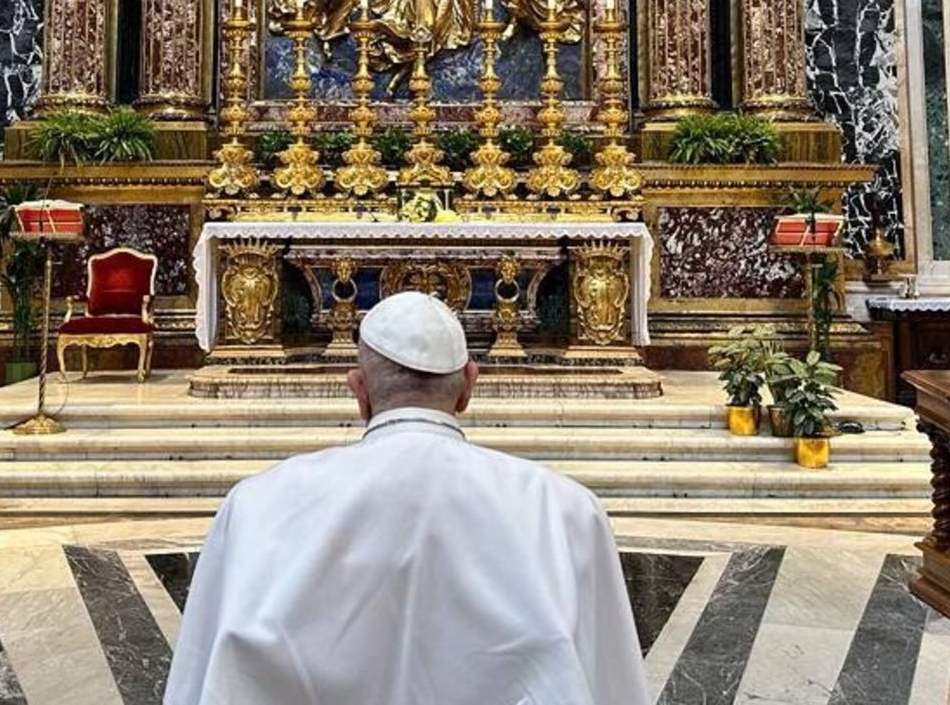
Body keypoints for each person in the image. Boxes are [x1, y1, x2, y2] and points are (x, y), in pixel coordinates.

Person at [163, 292, 647, 705]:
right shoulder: (564, 511)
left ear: (360, 391)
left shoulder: (257, 505)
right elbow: (611, 683)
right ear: (468, 387)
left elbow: (201, 679)